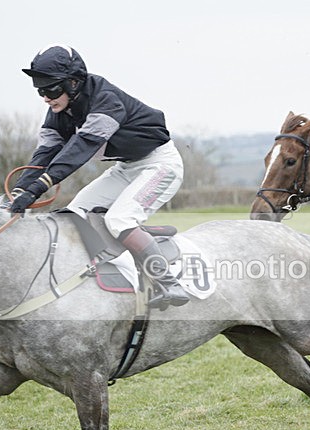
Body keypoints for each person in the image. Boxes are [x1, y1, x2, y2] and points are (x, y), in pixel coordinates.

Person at [10, 44, 189, 309]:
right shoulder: (59, 112)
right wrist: (20, 190)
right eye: (40, 91)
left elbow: (79, 149)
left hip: (159, 165)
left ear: (73, 82)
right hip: (126, 168)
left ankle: (168, 281)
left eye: (51, 89)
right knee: (75, 212)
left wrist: (39, 188)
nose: (46, 98)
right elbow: (45, 154)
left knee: (119, 219)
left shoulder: (105, 100)